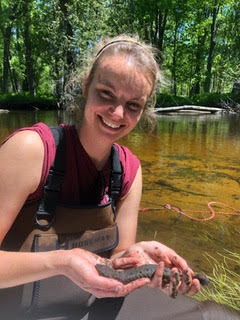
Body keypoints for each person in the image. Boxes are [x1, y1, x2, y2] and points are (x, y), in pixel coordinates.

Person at [0, 35, 202, 320]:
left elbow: (117, 260)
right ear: (86, 86)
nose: (117, 113)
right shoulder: (32, 150)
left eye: (133, 105)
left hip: (87, 309)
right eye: (106, 94)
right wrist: (62, 262)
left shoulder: (130, 169)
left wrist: (136, 252)